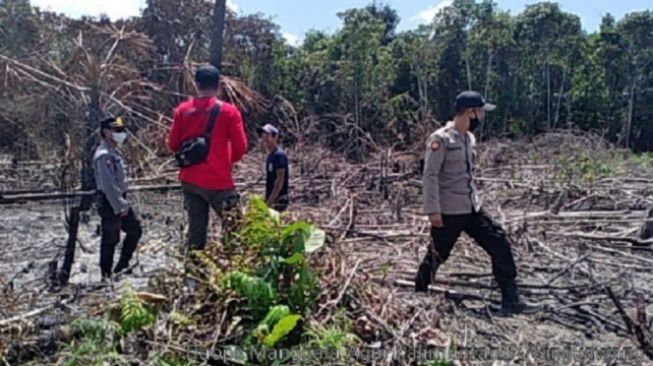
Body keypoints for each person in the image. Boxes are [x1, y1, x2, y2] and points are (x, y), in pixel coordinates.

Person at [415, 90, 541, 316]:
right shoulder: (441, 139)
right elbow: (430, 175)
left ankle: (511, 299)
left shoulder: (468, 139)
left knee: (498, 242)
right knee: (437, 255)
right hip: (449, 211)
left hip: (471, 208)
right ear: (469, 112)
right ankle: (418, 294)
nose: (482, 116)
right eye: (480, 111)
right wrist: (432, 210)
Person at [168, 64, 248, 251]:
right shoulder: (229, 112)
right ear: (218, 85)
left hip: (190, 181)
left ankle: (194, 276)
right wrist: (226, 162)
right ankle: (232, 271)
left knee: (196, 233)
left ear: (197, 85)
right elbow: (241, 148)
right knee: (236, 229)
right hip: (218, 181)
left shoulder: (182, 110)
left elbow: (173, 145)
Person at [93, 116, 142, 280]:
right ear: (106, 132)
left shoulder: (114, 153)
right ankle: (105, 276)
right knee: (110, 239)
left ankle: (122, 266)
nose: (121, 134)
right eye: (117, 130)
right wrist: (120, 206)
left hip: (119, 199)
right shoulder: (103, 155)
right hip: (110, 201)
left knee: (135, 230)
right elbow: (108, 185)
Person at [257, 124, 289, 212]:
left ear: (275, 137)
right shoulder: (270, 156)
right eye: (263, 136)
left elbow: (279, 180)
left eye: (267, 136)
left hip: (279, 201)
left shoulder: (279, 155)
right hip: (271, 200)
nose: (264, 139)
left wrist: (270, 201)